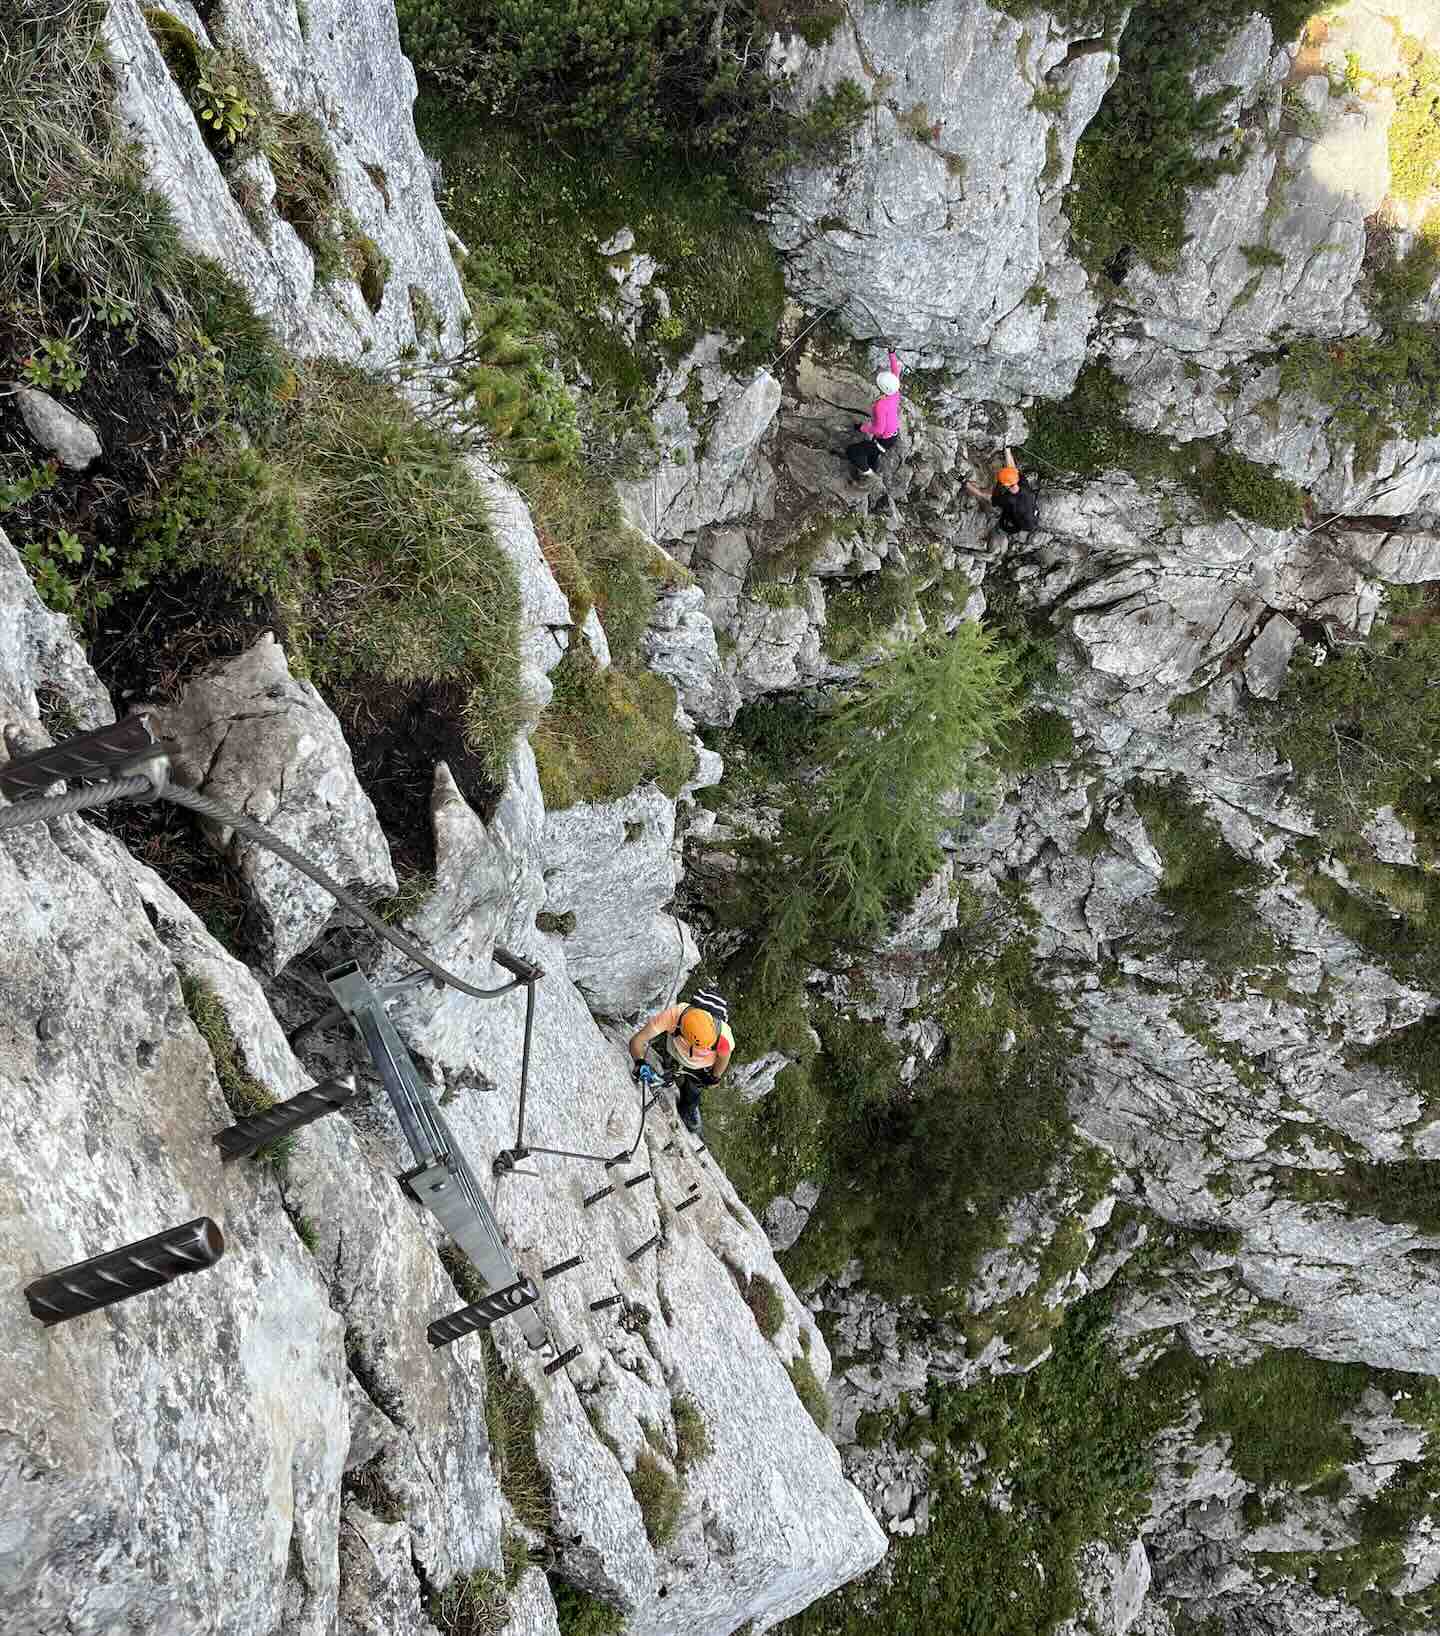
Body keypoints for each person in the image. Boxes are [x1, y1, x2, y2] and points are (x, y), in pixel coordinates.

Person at [629, 987, 733, 1135]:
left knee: (693, 1090)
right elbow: (637, 1041)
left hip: (701, 1066)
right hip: (676, 1051)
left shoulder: (724, 1036)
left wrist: (714, 1077)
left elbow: (723, 1058)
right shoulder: (673, 1015)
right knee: (674, 1067)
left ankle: (688, 1107)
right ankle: (671, 1067)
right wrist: (640, 1063)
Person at [843, 349, 903, 484]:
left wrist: (862, 428)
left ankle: (868, 474)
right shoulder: (894, 391)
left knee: (852, 452)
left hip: (884, 439)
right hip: (892, 434)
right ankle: (871, 466)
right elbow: (895, 372)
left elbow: (879, 429)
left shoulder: (880, 406)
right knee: (873, 452)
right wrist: (892, 353)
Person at [965, 447, 1039, 535]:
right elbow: (1012, 468)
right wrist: (1007, 449)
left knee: (994, 503)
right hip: (1031, 514)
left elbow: (984, 495)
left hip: (1020, 521)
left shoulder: (1008, 500)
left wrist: (965, 482)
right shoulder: (1023, 483)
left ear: (1006, 485)